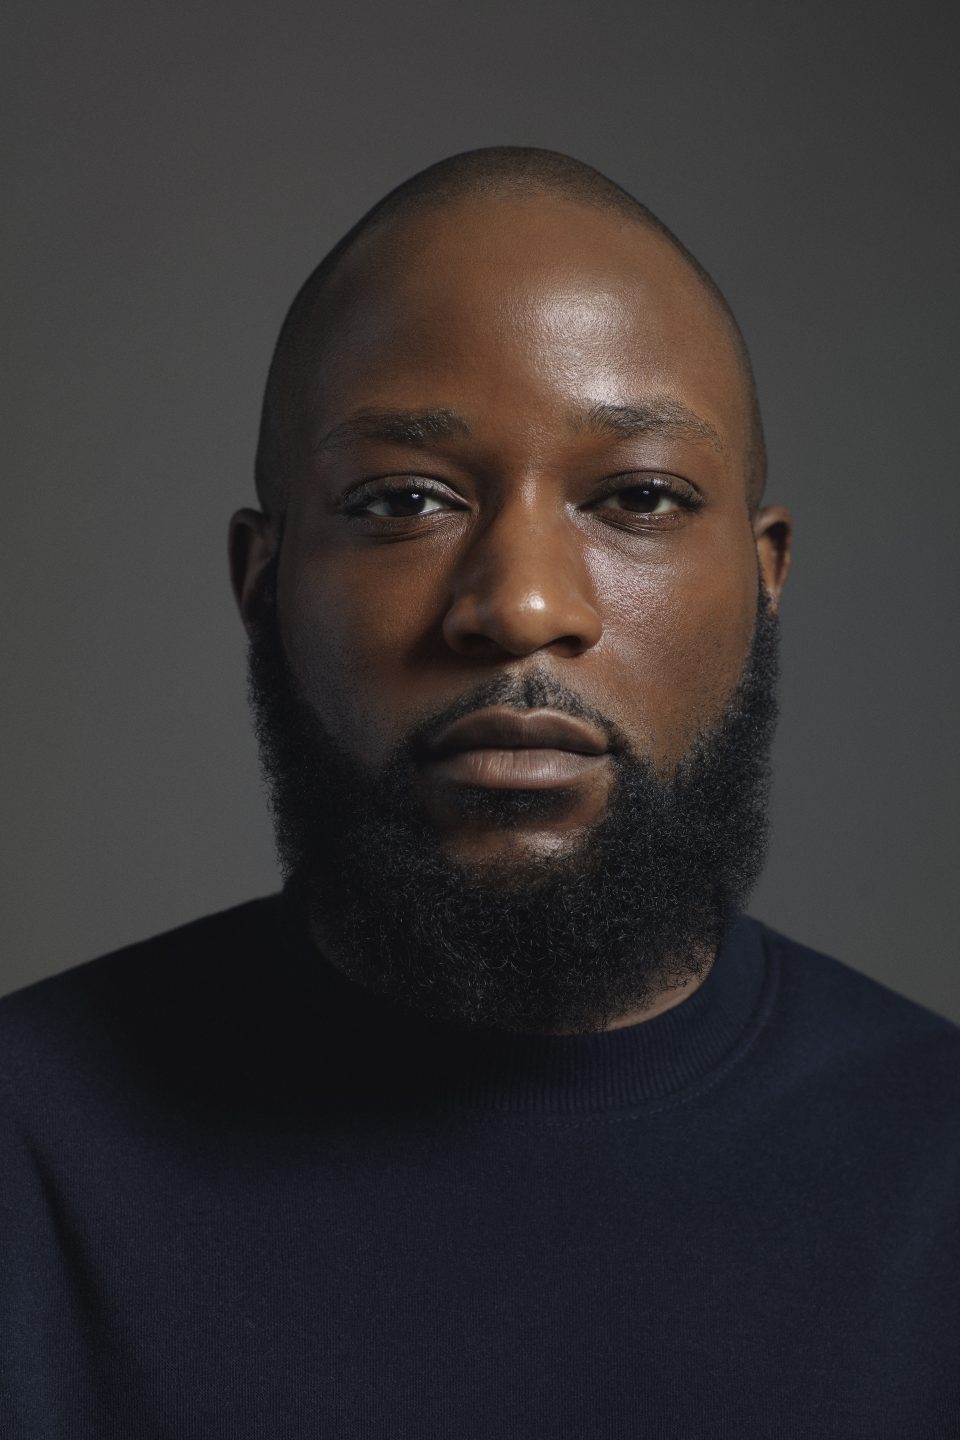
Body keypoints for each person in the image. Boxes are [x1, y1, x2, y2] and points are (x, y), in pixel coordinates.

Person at [1, 147, 957, 1438]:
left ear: (764, 575)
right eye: (405, 499)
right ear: (263, 582)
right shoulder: (28, 1153)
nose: (522, 604)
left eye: (639, 497)